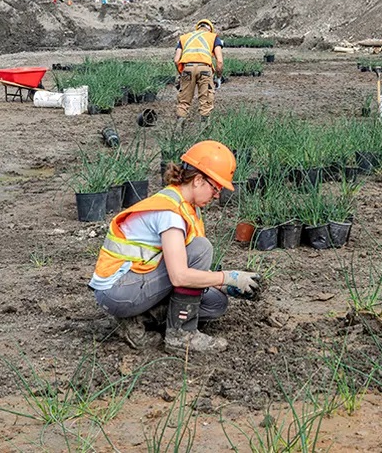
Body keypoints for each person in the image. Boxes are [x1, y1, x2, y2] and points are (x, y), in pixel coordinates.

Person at [89, 140, 261, 354]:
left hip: (137, 282)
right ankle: (181, 336)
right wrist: (226, 277)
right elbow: (180, 276)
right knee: (201, 248)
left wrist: (225, 286)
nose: (217, 195)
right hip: (118, 290)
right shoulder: (170, 213)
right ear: (198, 180)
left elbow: (186, 267)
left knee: (216, 303)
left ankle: (136, 321)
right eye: (215, 188)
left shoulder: (186, 207)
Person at [174, 19, 224, 130]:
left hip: (187, 69)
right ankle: (203, 134)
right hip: (205, 70)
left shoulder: (184, 38)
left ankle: (178, 133)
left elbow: (177, 60)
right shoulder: (213, 37)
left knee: (184, 101)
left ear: (197, 27)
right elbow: (219, 62)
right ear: (210, 29)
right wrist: (218, 77)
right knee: (206, 101)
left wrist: (182, 74)